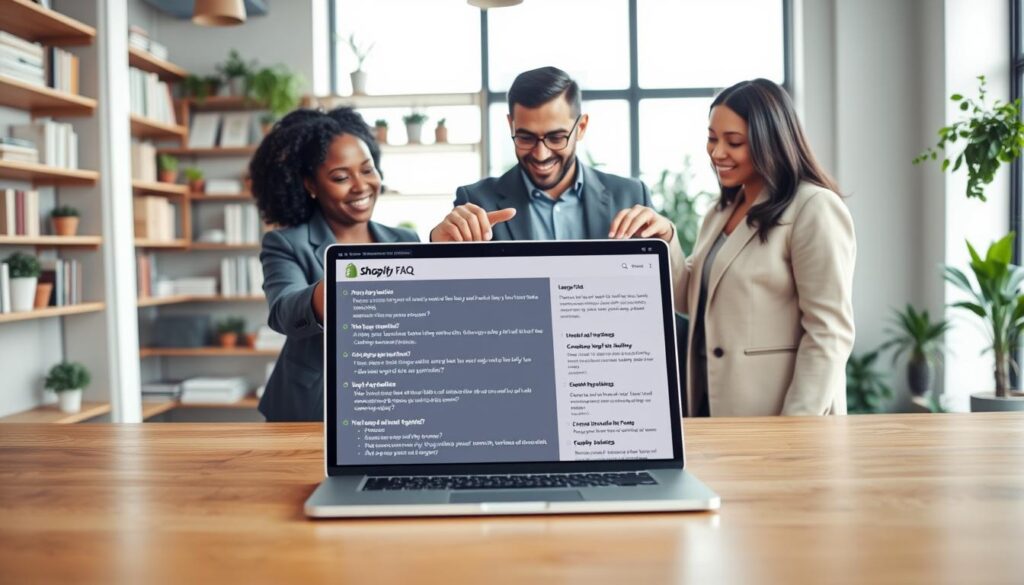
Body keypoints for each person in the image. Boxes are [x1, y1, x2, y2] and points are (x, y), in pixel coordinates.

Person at [677, 78, 855, 417]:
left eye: (734, 142)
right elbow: (689, 297)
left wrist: (796, 427)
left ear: (769, 142)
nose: (717, 153)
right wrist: (665, 240)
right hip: (711, 409)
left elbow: (828, 332)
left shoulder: (814, 207)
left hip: (778, 418)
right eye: (712, 138)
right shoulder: (720, 211)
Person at [250, 107, 419, 422]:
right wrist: (340, 289)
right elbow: (283, 312)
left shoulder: (405, 239)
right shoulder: (287, 243)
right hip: (312, 410)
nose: (360, 186)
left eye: (367, 170)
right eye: (341, 177)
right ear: (311, 185)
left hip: (393, 407)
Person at [429, 66, 682, 259]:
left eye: (556, 137)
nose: (541, 154)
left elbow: (667, 295)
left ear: (580, 127)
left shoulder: (629, 195)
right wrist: (436, 248)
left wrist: (666, 241)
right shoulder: (476, 201)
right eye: (526, 137)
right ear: (511, 125)